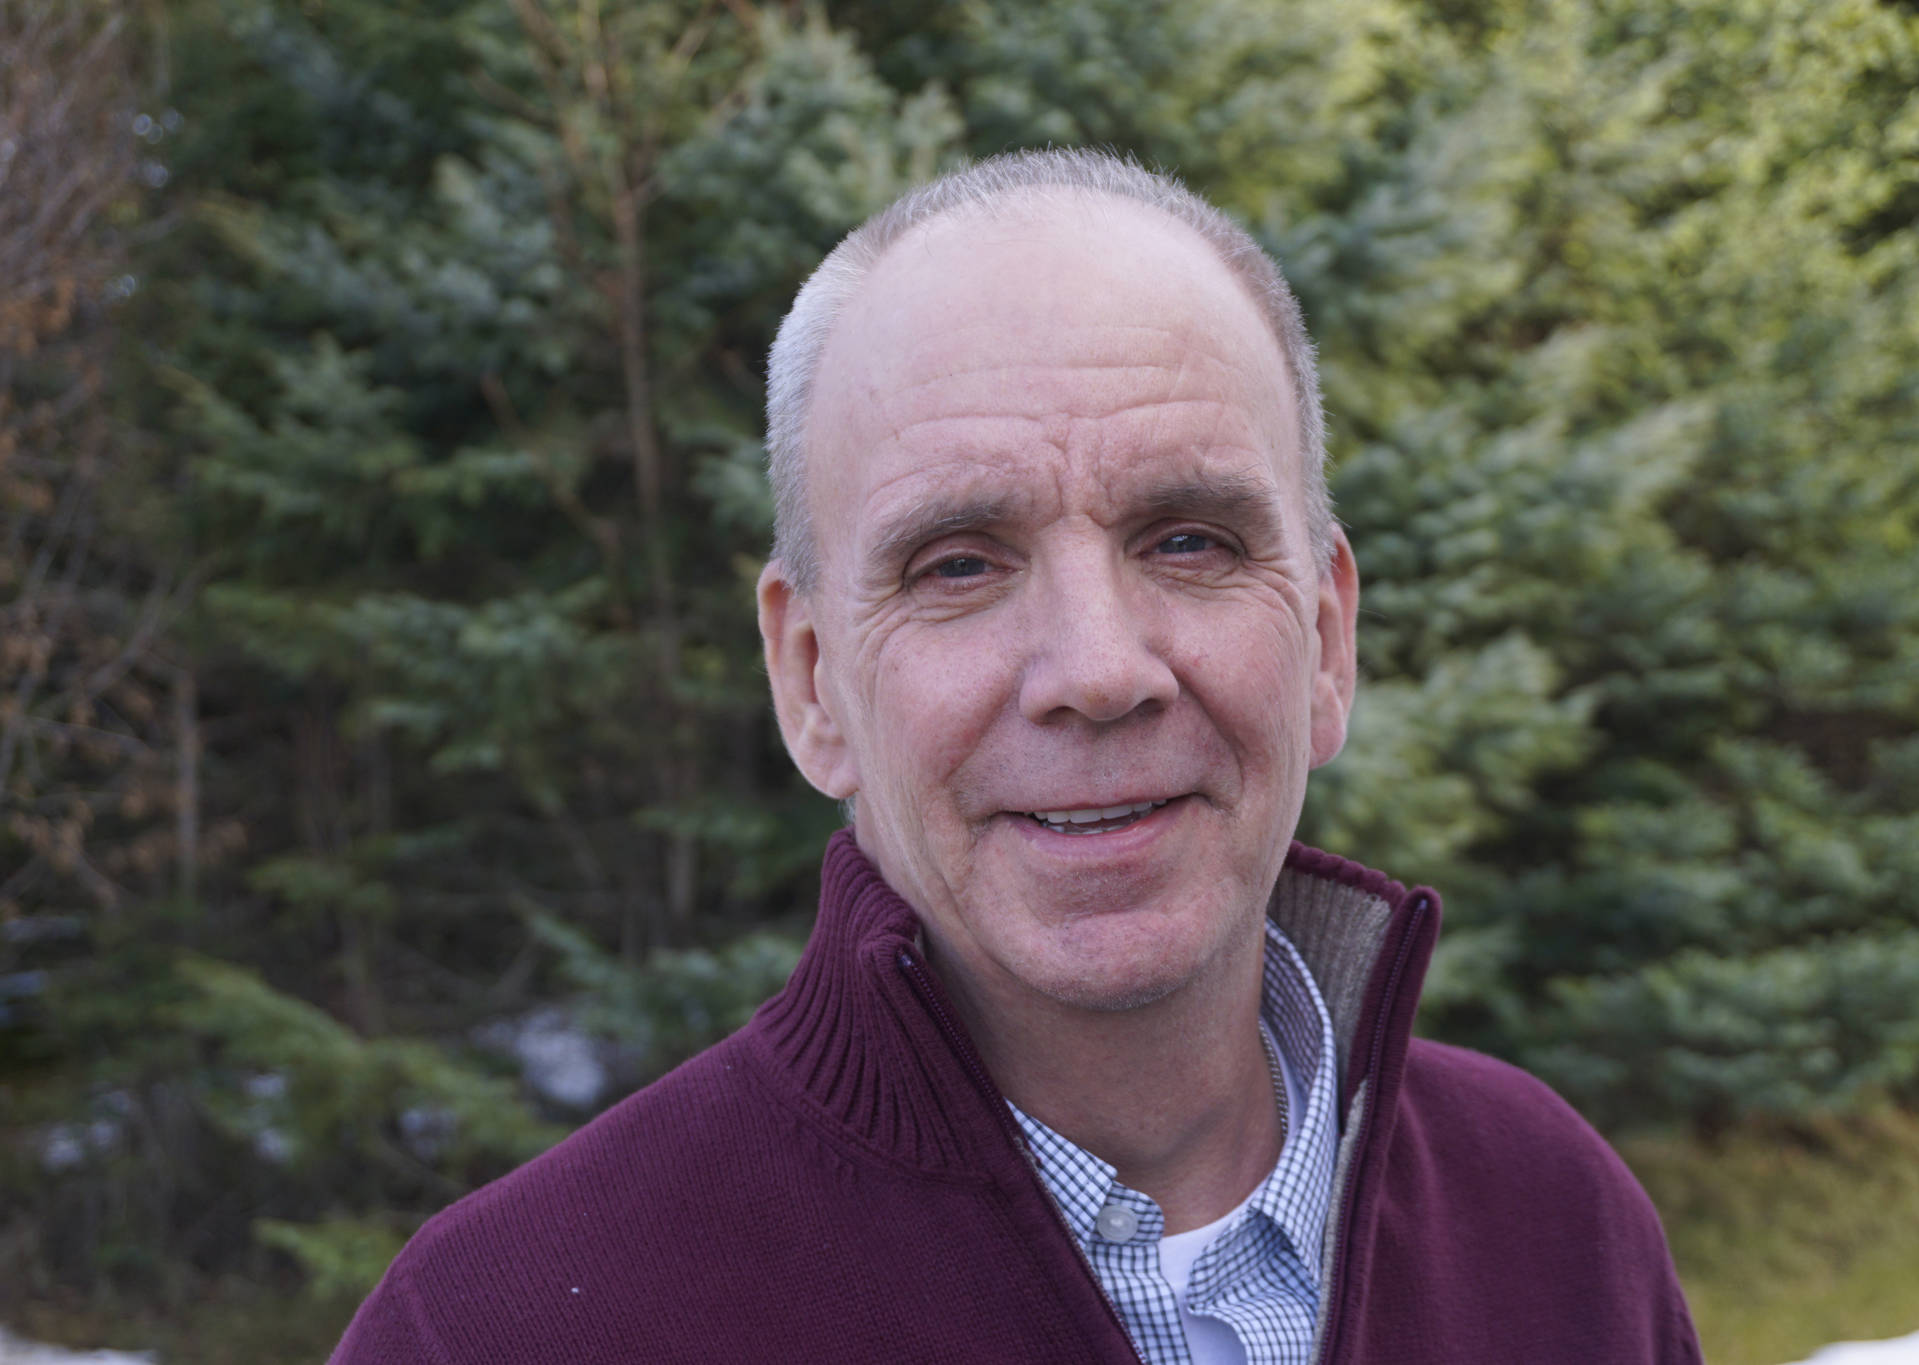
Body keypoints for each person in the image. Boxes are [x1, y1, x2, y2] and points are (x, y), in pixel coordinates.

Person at [331, 149, 1703, 1365]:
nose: (1098, 669)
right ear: (811, 680)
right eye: (959, 563)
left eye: (1188, 539)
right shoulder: (501, 1331)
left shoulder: (1551, 1225)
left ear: (1330, 637)